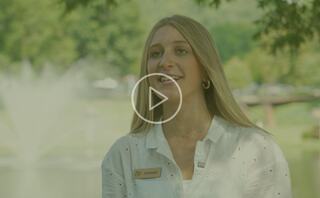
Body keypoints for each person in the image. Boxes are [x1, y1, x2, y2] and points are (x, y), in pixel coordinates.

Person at [101, 15, 293, 198]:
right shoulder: (123, 155)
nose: (164, 62)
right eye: (155, 53)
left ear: (206, 69)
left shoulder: (256, 149)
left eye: (181, 51)